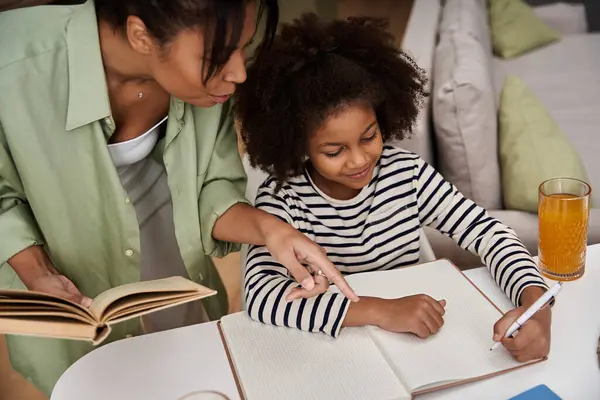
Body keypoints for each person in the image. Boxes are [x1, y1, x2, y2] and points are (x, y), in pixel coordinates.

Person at [0, 1, 359, 394]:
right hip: (64, 284)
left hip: (170, 266)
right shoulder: (12, 67)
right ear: (141, 36)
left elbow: (212, 186)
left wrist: (272, 230)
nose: (238, 72)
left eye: (244, 47)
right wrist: (40, 274)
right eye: (218, 55)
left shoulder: (208, 85)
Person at [236, 14, 552, 363]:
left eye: (369, 136)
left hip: (415, 348)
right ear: (297, 145)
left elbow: (487, 231)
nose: (359, 160)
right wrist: (380, 311)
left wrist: (536, 307)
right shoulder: (283, 200)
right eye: (334, 151)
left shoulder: (406, 173)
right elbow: (261, 296)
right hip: (336, 353)